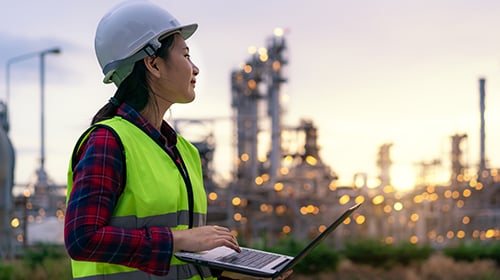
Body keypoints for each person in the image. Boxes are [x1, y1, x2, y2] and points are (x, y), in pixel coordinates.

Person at [63, 1, 243, 279]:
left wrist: (235, 273)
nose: (195, 69)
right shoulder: (108, 142)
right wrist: (178, 239)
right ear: (153, 64)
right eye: (186, 55)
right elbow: (82, 239)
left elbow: (183, 264)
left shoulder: (185, 151)